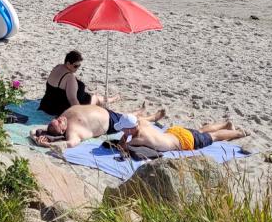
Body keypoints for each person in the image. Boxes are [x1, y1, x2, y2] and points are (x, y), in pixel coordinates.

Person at [32, 104, 168, 150]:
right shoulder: (73, 131)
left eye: (57, 119)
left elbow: (35, 130)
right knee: (132, 121)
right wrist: (47, 145)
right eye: (59, 122)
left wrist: (34, 136)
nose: (60, 118)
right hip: (109, 122)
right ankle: (152, 118)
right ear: (62, 130)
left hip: (105, 112)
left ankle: (138, 112)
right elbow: (70, 144)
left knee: (126, 116)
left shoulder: (62, 120)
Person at [117, 114, 247, 152]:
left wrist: (125, 137)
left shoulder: (139, 139)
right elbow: (132, 128)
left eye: (124, 129)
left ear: (130, 129)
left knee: (215, 136)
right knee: (200, 131)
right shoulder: (141, 122)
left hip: (184, 141)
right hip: (175, 132)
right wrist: (127, 132)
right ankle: (226, 124)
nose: (122, 131)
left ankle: (239, 133)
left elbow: (122, 146)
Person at [39, 50, 107, 115]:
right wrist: (80, 114)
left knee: (93, 97)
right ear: (68, 63)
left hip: (46, 105)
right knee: (95, 98)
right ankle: (112, 99)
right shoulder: (69, 77)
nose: (77, 68)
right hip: (60, 109)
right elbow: (72, 100)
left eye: (79, 66)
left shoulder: (58, 67)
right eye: (75, 66)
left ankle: (110, 99)